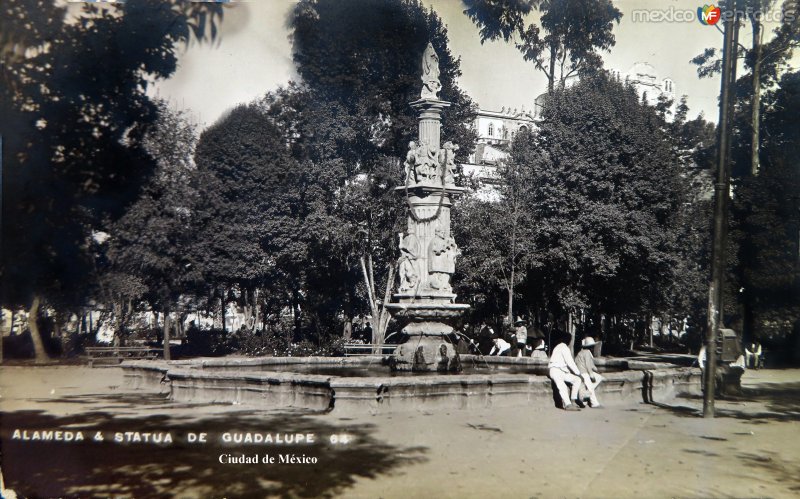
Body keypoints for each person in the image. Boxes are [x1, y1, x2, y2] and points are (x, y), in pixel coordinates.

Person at [548, 332, 583, 411]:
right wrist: (578, 373)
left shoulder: (558, 346)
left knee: (577, 380)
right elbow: (570, 362)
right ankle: (568, 405)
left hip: (561, 371)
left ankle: (573, 400)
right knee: (562, 386)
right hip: (555, 370)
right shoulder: (564, 347)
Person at [575, 337, 604, 408]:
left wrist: (596, 370)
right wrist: (591, 375)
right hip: (584, 373)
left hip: (580, 372)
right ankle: (594, 403)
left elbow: (590, 364)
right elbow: (588, 365)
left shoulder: (580, 353)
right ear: (591, 346)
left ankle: (585, 393)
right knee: (591, 387)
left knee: (599, 378)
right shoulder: (587, 353)